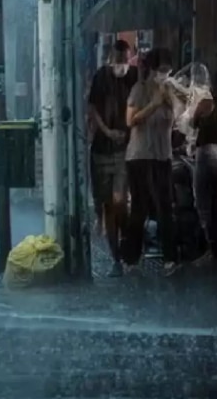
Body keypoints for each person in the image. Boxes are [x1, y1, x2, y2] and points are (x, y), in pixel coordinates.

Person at [123, 47, 180, 276]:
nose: (165, 74)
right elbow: (130, 120)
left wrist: (173, 99)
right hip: (140, 156)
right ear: (153, 70)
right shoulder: (140, 89)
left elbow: (181, 118)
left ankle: (170, 259)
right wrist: (154, 104)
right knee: (140, 208)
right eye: (162, 70)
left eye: (168, 70)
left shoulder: (170, 91)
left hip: (162, 155)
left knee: (166, 207)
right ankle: (130, 257)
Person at [87, 39, 139, 277]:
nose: (122, 65)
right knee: (108, 205)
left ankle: (128, 244)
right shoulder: (101, 77)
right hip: (102, 149)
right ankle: (116, 257)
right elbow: (93, 108)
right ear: (111, 59)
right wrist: (107, 131)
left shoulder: (135, 76)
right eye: (118, 61)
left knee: (119, 201)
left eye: (125, 61)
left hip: (125, 150)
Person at [190, 71, 217, 267]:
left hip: (208, 153)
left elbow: (193, 123)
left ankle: (211, 248)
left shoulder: (206, 103)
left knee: (203, 199)